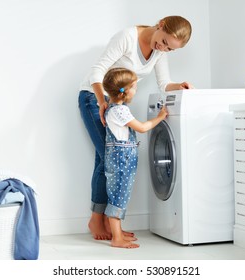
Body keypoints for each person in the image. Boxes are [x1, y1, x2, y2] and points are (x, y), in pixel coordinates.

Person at [78, 15, 193, 240]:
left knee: (105, 159)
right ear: (160, 24)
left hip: (115, 105)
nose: (163, 48)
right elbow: (97, 71)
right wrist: (103, 102)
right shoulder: (127, 37)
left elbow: (163, 84)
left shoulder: (160, 52)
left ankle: (101, 219)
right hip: (94, 97)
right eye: (164, 42)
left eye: (170, 49)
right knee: (108, 159)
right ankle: (100, 220)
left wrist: (178, 86)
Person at [102, 68, 168, 248]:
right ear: (124, 90)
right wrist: (160, 117)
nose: (136, 90)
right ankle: (116, 238)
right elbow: (142, 127)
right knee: (118, 196)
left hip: (120, 158)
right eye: (135, 87)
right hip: (121, 160)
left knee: (119, 195)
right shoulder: (120, 111)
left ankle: (118, 232)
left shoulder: (113, 108)